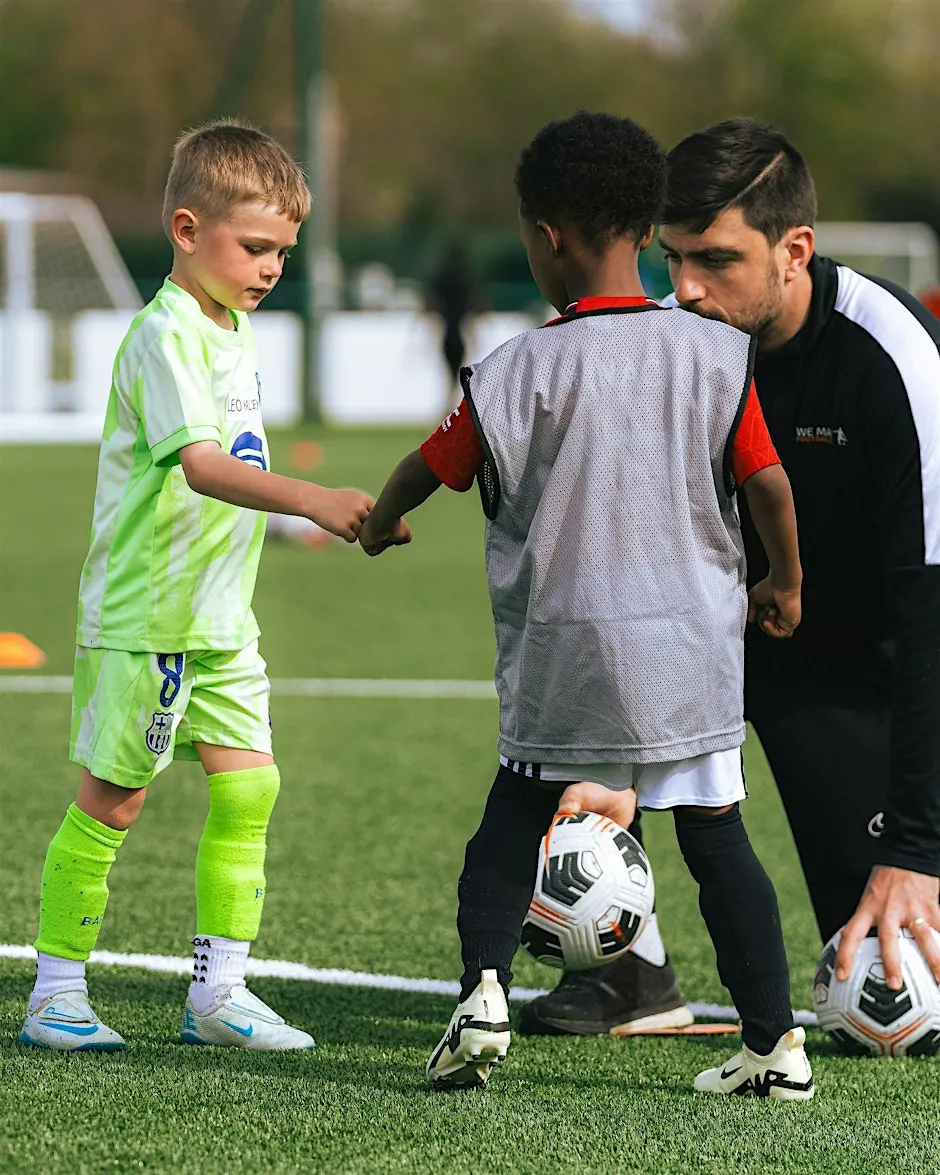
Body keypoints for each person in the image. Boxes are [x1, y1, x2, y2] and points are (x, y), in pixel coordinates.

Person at [358, 111, 814, 1099]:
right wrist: (782, 579)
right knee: (716, 834)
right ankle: (776, 1048)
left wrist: (380, 520)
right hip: (688, 646)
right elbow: (769, 482)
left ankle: (482, 989)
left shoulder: (514, 369)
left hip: (565, 645)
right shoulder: (709, 354)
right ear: (649, 233)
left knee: (513, 816)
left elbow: (429, 466)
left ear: (545, 237)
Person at [527, 117, 940, 1036]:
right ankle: (629, 973)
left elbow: (929, 611)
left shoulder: (897, 357)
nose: (686, 289)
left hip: (860, 667)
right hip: (721, 634)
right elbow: (618, 547)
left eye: (715, 259)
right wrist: (610, 739)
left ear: (794, 250)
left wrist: (916, 847)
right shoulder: (672, 344)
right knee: (567, 714)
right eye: (672, 258)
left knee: (892, 969)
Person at [20, 121, 373, 1053]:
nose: (270, 269)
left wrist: (299, 522)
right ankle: (54, 992)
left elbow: (241, 464)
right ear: (186, 228)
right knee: (115, 797)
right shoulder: (163, 335)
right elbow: (206, 468)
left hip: (221, 616)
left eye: (283, 253)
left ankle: (217, 994)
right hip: (147, 616)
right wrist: (314, 495)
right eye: (255, 247)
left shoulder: (236, 328)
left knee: (250, 788)